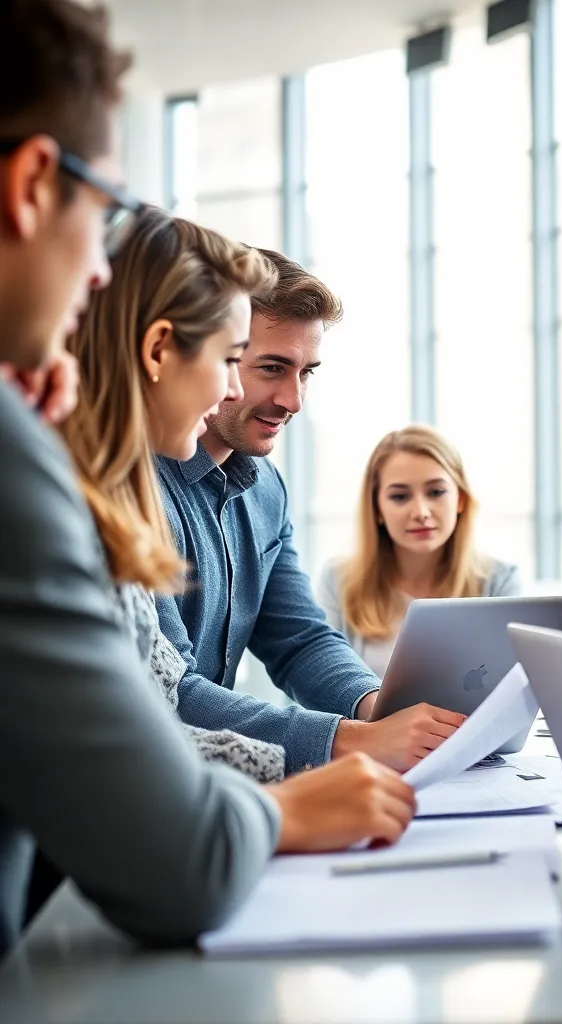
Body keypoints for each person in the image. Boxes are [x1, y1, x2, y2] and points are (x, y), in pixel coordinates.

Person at [0, 0, 413, 955]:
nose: (95, 276)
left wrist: (364, 710)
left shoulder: (238, 488)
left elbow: (295, 636)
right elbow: (176, 853)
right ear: (31, 185)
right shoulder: (40, 473)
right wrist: (306, 791)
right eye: (99, 207)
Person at [155, 252, 464, 775]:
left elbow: (299, 639)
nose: (293, 399)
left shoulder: (266, 488)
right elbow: (170, 690)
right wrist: (351, 741)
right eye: (272, 368)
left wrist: (379, 709)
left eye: (306, 373)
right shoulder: (138, 491)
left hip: (207, 779)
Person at [63, 205, 294, 782]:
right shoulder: (67, 506)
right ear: (159, 350)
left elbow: (153, 722)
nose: (234, 389)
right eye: (229, 359)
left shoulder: (109, 493)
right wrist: (298, 789)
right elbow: (113, 760)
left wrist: (315, 764)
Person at [317, 425, 521, 676]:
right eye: (400, 497)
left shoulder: (500, 582)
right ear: (377, 509)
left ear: (460, 499)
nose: (421, 512)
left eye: (436, 492)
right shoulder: (338, 581)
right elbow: (320, 682)